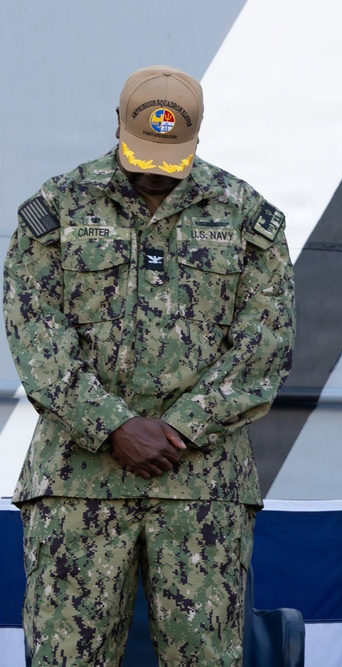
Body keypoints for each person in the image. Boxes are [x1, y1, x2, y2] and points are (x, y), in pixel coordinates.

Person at [4, 65, 295, 665]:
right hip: (78, 485)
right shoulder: (57, 208)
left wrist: (181, 426)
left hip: (202, 488)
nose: (155, 172)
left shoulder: (246, 217)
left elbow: (266, 343)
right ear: (117, 124)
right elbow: (34, 330)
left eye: (172, 156)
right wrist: (113, 424)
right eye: (143, 152)